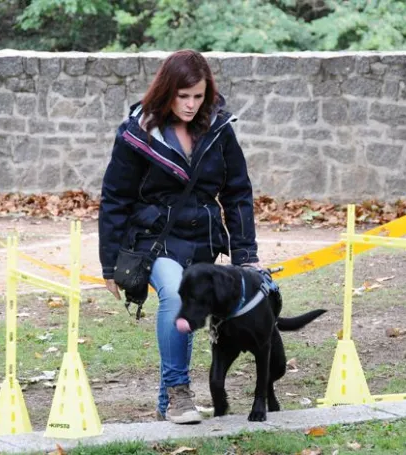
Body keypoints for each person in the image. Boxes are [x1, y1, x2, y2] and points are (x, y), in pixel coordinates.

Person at [98, 49, 260, 424]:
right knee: (175, 294)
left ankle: (166, 403)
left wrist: (246, 255)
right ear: (167, 90)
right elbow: (115, 198)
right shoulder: (137, 133)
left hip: (203, 239)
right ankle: (180, 394)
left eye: (198, 96)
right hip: (154, 239)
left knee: (189, 311)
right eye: (182, 96)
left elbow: (237, 193)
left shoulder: (219, 129)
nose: (190, 105)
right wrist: (109, 263)